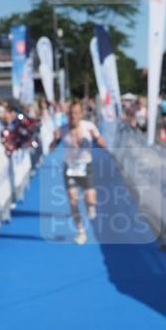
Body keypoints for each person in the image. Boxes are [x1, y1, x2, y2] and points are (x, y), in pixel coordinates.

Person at [50, 101, 107, 245]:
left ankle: (90, 207)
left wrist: (97, 138)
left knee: (90, 201)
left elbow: (103, 144)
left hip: (85, 167)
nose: (73, 116)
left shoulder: (89, 127)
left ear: (81, 114)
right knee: (73, 200)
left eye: (75, 113)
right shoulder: (62, 129)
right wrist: (54, 139)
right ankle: (81, 232)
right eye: (70, 113)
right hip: (69, 168)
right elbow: (50, 148)